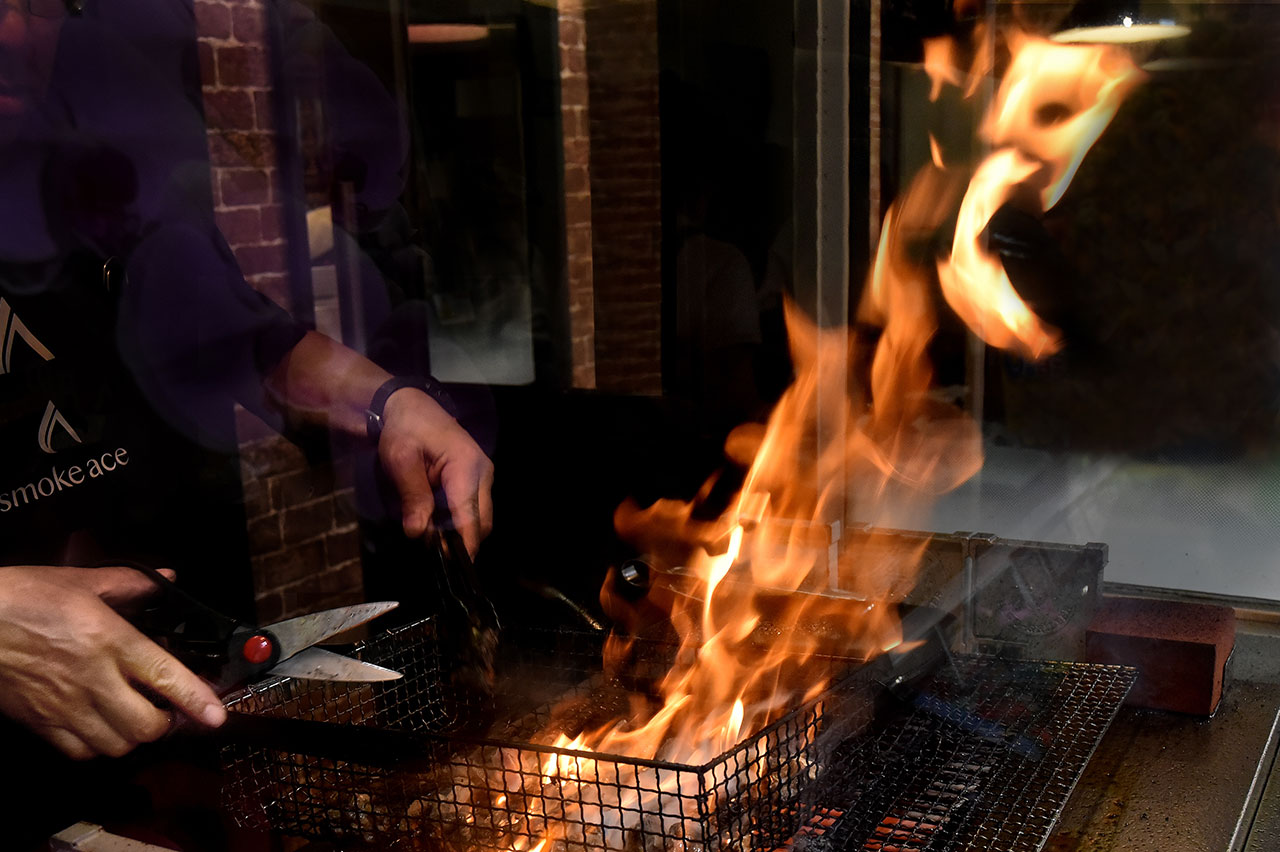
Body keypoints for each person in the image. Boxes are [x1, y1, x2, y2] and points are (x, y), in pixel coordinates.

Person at [0, 0, 491, 798]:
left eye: (34, 2)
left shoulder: (88, 176)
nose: (12, 33)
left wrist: (391, 402)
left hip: (154, 742)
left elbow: (238, 338)